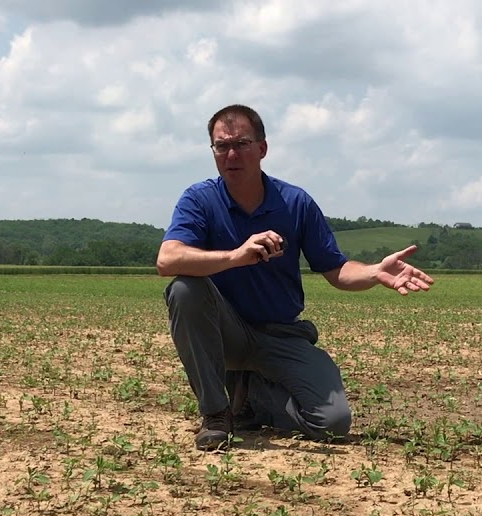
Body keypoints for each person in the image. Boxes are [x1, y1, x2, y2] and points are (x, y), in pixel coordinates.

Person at [158, 104, 434, 451]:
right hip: (227, 334)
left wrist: (375, 272)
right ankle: (216, 413)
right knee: (184, 288)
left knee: (332, 423)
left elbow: (336, 270)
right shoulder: (199, 200)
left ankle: (252, 395)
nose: (231, 154)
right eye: (221, 145)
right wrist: (235, 256)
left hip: (281, 334)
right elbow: (167, 259)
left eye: (241, 144)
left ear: (262, 148)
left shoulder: (295, 203)